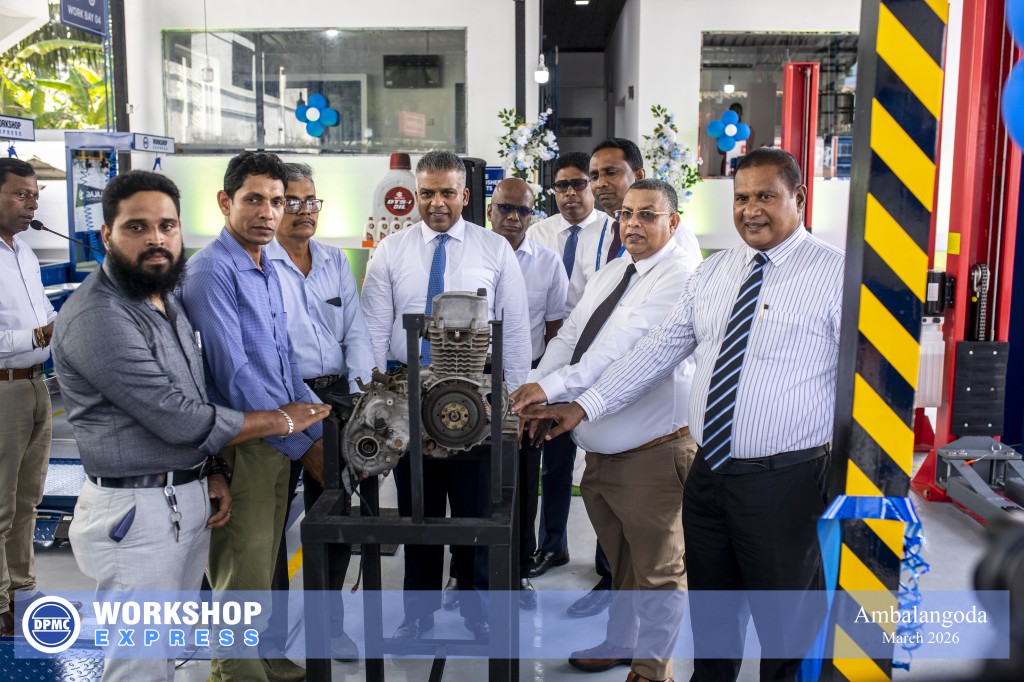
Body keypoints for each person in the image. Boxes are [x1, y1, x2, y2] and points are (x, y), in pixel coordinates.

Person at [517, 148, 843, 681]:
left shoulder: (835, 274)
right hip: (710, 475)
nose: (751, 209)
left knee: (786, 627)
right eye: (741, 197)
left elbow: (860, 387)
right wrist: (583, 405)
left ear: (800, 198)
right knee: (713, 619)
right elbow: (654, 354)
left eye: (765, 196)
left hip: (785, 481)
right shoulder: (714, 273)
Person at [50, 170, 328, 682]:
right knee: (139, 666)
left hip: (181, 497)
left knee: (167, 651)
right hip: (134, 513)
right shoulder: (99, 315)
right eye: (137, 227)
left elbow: (198, 389)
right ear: (106, 234)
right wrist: (284, 421)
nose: (156, 239)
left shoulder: (163, 300)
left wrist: (211, 470)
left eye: (167, 226)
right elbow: (176, 415)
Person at [512, 179, 696, 682]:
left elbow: (621, 352)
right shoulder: (615, 270)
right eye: (627, 214)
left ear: (673, 222)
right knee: (621, 563)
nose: (633, 224)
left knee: (658, 570)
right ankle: (621, 642)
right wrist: (536, 384)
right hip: (600, 451)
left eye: (647, 215)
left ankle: (653, 670)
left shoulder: (680, 277)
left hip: (652, 453)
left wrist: (553, 389)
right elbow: (571, 336)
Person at [360, 150, 532, 640]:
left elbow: (514, 329)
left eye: (447, 193)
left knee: (477, 512)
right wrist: (372, 400)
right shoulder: (390, 251)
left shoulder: (494, 249)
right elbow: (373, 329)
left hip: (477, 400)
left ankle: (480, 612)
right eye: (427, 193)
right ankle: (418, 615)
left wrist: (515, 405)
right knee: (419, 512)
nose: (437, 203)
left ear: (465, 195)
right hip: (409, 398)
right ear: (417, 194)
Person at [179, 152, 328, 682]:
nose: (268, 212)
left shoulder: (262, 266)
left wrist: (320, 428)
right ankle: (234, 672)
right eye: (254, 200)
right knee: (240, 570)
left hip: (277, 438)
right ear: (226, 201)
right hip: (244, 442)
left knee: (263, 563)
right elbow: (235, 374)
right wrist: (302, 444)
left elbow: (284, 363)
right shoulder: (211, 272)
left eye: (277, 201)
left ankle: (260, 660)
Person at [264, 162, 374, 663]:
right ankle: (270, 636)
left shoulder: (333, 261)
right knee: (268, 525)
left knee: (335, 517)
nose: (305, 211)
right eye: (293, 201)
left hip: (336, 401)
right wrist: (301, 415)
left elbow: (356, 333)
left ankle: (329, 628)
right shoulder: (258, 262)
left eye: (311, 201)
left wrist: (361, 401)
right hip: (278, 404)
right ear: (273, 205)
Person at [526, 153, 610, 581]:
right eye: (562, 186)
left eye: (579, 184)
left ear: (591, 187)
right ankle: (552, 545)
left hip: (602, 359)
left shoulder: (614, 232)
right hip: (551, 357)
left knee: (604, 461)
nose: (571, 193)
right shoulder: (538, 233)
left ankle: (607, 560)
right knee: (553, 460)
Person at [487, 177, 568, 609]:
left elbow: (556, 332)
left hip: (528, 382)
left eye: (523, 210)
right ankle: (467, 573)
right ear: (490, 210)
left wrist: (544, 393)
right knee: (473, 481)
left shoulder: (548, 263)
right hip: (475, 380)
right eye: (506, 208)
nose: (514, 218)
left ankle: (517, 571)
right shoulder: (472, 254)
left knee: (521, 481)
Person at [0, 158, 55, 638]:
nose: (31, 204)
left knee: (27, 502)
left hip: (37, 383)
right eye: (20, 194)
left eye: (35, 195)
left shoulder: (26, 254)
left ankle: (22, 592)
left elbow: (46, 315)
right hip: (3, 389)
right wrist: (38, 335)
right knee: (0, 504)